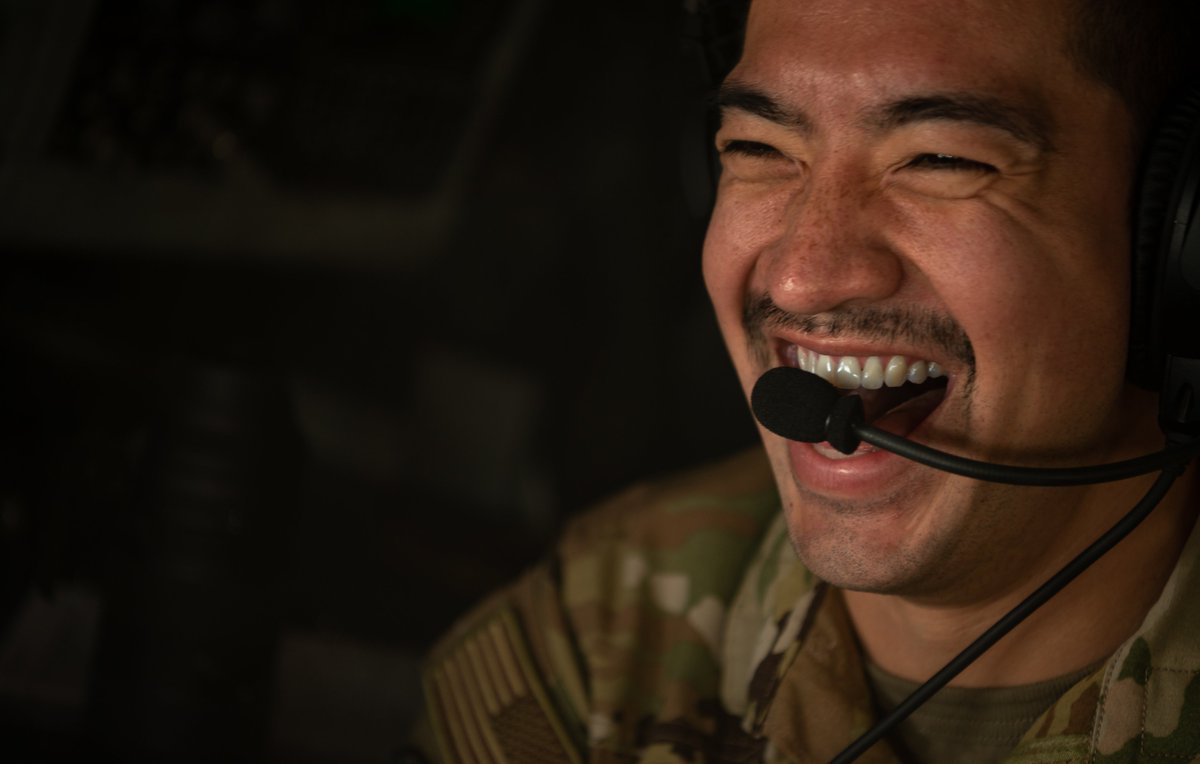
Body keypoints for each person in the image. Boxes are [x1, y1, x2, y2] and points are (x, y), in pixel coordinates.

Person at [406, 0, 1200, 761]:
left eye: (940, 159)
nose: (802, 277)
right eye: (759, 149)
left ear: (1175, 241)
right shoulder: (594, 638)